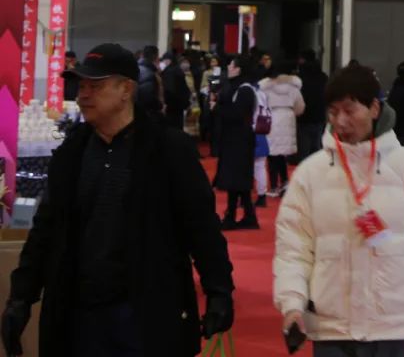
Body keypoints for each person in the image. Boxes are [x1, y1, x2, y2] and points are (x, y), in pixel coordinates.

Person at [1, 44, 234, 357]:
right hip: (78, 315)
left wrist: (219, 290)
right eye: (81, 86)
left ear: (126, 90)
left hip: (144, 314)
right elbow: (46, 229)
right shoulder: (72, 153)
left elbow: (201, 226)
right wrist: (21, 297)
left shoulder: (167, 150)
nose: (83, 95)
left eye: (95, 86)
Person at [274, 63, 404, 356]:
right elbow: (293, 248)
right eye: (333, 112)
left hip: (393, 326)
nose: (340, 120)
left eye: (349, 111)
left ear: (374, 108)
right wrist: (292, 304)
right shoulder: (310, 173)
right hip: (331, 328)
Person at [213, 56, 259, 229]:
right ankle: (247, 215)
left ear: (239, 69)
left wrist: (218, 108)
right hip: (237, 139)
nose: (228, 67)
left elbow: (237, 114)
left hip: (239, 140)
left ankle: (233, 215)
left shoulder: (244, 90)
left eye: (231, 65)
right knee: (239, 179)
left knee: (236, 178)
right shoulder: (236, 87)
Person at [260, 61, 304, 198]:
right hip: (288, 117)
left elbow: (261, 103)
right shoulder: (294, 88)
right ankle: (284, 182)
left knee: (271, 154)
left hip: (272, 117)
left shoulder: (266, 87)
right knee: (282, 154)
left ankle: (273, 186)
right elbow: (300, 107)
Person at [296, 49, 328, 162]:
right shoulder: (323, 77)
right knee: (317, 146)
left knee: (304, 148)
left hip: (304, 117)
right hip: (320, 116)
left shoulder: (300, 78)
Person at [161, 53, 190, 132]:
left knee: (172, 128)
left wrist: (165, 102)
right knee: (178, 126)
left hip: (172, 105)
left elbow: (170, 89)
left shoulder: (169, 71)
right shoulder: (178, 70)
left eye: (164, 61)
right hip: (179, 104)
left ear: (168, 60)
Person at [135, 45, 164, 120]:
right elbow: (147, 97)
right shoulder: (149, 74)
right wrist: (160, 105)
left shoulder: (136, 69)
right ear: (156, 57)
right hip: (147, 116)